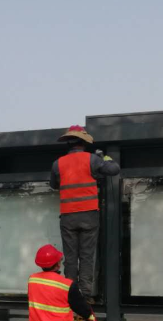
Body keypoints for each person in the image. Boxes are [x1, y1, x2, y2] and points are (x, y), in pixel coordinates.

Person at [50, 125, 120, 302]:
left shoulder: (58, 163)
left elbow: (54, 185)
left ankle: (70, 294)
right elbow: (114, 169)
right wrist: (104, 157)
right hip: (89, 215)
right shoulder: (92, 159)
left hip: (68, 216)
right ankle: (85, 295)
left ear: (68, 143)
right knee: (87, 256)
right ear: (83, 142)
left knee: (70, 258)